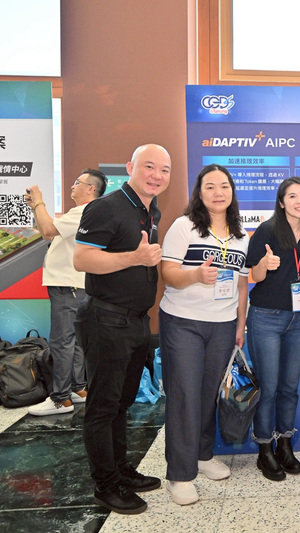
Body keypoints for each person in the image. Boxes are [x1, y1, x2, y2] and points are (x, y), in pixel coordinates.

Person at [73, 144, 171, 515]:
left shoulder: (150, 210)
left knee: (121, 403)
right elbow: (82, 259)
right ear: (130, 167)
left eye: (164, 170)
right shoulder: (106, 207)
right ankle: (106, 485)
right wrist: (135, 257)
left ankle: (120, 470)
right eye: (149, 166)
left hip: (136, 322)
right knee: (102, 407)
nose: (156, 175)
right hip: (106, 320)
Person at [158, 164, 249, 505]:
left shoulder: (240, 235)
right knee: (185, 394)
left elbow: (242, 283)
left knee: (210, 393)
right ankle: (180, 474)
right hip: (183, 322)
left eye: (224, 186)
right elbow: (168, 273)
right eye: (209, 186)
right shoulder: (184, 226)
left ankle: (202, 454)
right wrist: (195, 275)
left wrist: (239, 324)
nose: (217, 192)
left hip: (223, 324)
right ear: (199, 192)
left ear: (232, 192)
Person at [246, 177, 300, 482]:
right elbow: (253, 274)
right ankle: (264, 449)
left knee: (290, 387)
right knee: (269, 388)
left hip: (299, 320)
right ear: (281, 202)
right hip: (266, 318)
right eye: (292, 196)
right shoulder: (268, 230)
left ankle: (285, 444)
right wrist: (265, 264)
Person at [24, 170, 105, 416]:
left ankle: (60, 398)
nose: (72, 186)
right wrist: (35, 208)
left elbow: (48, 231)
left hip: (68, 285)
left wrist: (39, 201)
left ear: (91, 188)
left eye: (77, 182)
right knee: (74, 341)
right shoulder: (89, 212)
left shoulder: (83, 211)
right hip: (75, 285)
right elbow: (46, 230)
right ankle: (78, 388)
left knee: (62, 341)